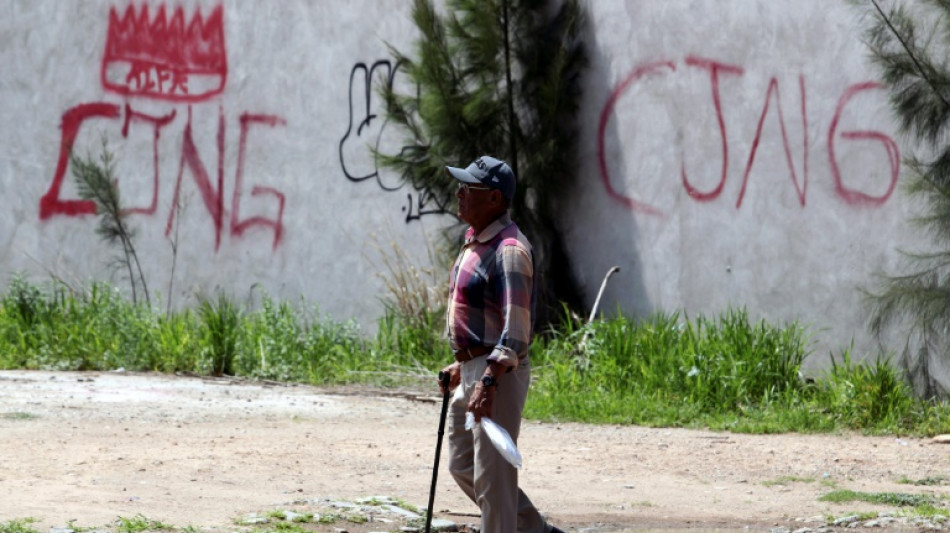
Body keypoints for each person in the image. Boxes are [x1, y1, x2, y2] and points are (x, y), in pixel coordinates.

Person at [439, 155, 564, 533]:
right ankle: (534, 531)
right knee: (464, 466)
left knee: (493, 482)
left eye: (468, 189)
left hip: (498, 376)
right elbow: (487, 320)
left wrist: (489, 381)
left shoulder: (509, 250)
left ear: (494, 198)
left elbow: (516, 329)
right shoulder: (476, 241)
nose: (459, 194)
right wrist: (463, 365)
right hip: (475, 369)